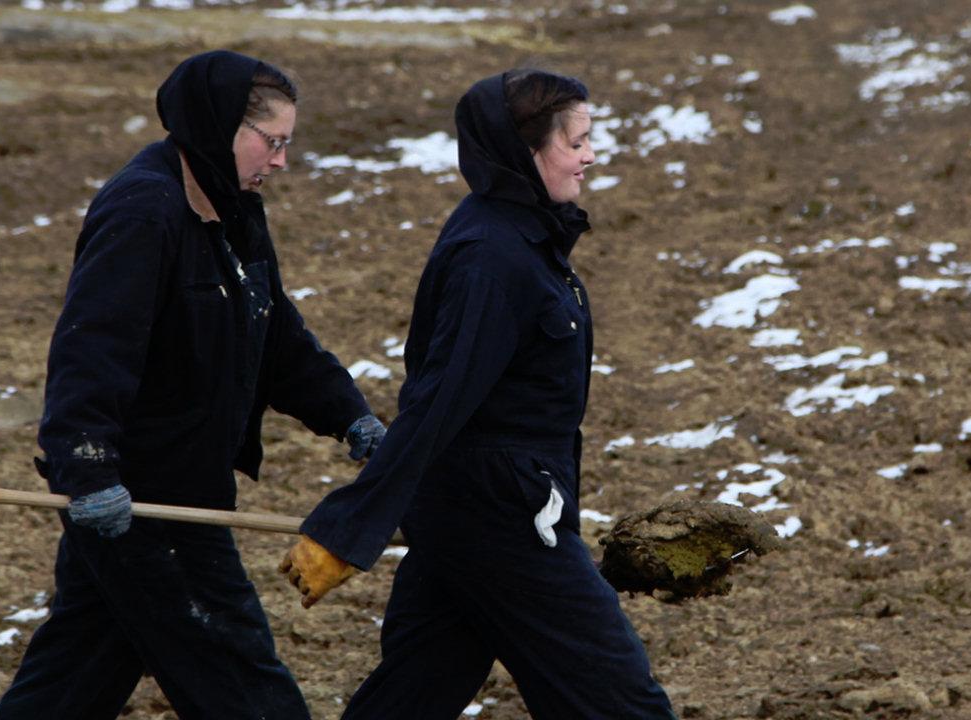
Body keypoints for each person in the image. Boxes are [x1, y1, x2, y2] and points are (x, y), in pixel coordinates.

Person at [0, 50, 386, 720]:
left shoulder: (234, 207)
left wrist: (351, 416)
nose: (282, 161)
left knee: (75, 674)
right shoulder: (144, 212)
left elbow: (276, 335)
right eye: (274, 142)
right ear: (219, 126)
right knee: (236, 669)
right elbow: (93, 350)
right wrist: (87, 472)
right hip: (144, 499)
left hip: (188, 483)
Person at [279, 69, 677, 719]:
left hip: (475, 509)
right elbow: (437, 404)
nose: (591, 156)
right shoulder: (492, 256)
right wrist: (350, 527)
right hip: (500, 518)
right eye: (576, 143)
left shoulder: (521, 234)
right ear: (526, 152)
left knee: (415, 691)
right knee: (618, 700)